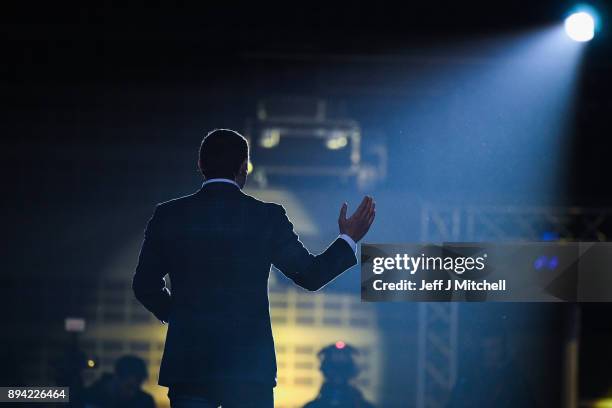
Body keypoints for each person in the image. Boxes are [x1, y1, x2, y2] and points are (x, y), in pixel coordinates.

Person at [132, 129, 376, 408]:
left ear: (200, 165)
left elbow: (144, 285)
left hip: (190, 366)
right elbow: (311, 275)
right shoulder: (266, 217)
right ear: (243, 167)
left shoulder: (170, 215)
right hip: (248, 370)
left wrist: (179, 317)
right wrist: (348, 239)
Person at [303, 343, 375, 408]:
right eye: (334, 368)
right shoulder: (315, 405)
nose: (338, 377)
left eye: (343, 368)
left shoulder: (359, 403)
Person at [85, 355, 156, 408]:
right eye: (129, 387)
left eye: (136, 388)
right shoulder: (90, 397)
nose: (132, 393)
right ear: (117, 377)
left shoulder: (144, 401)